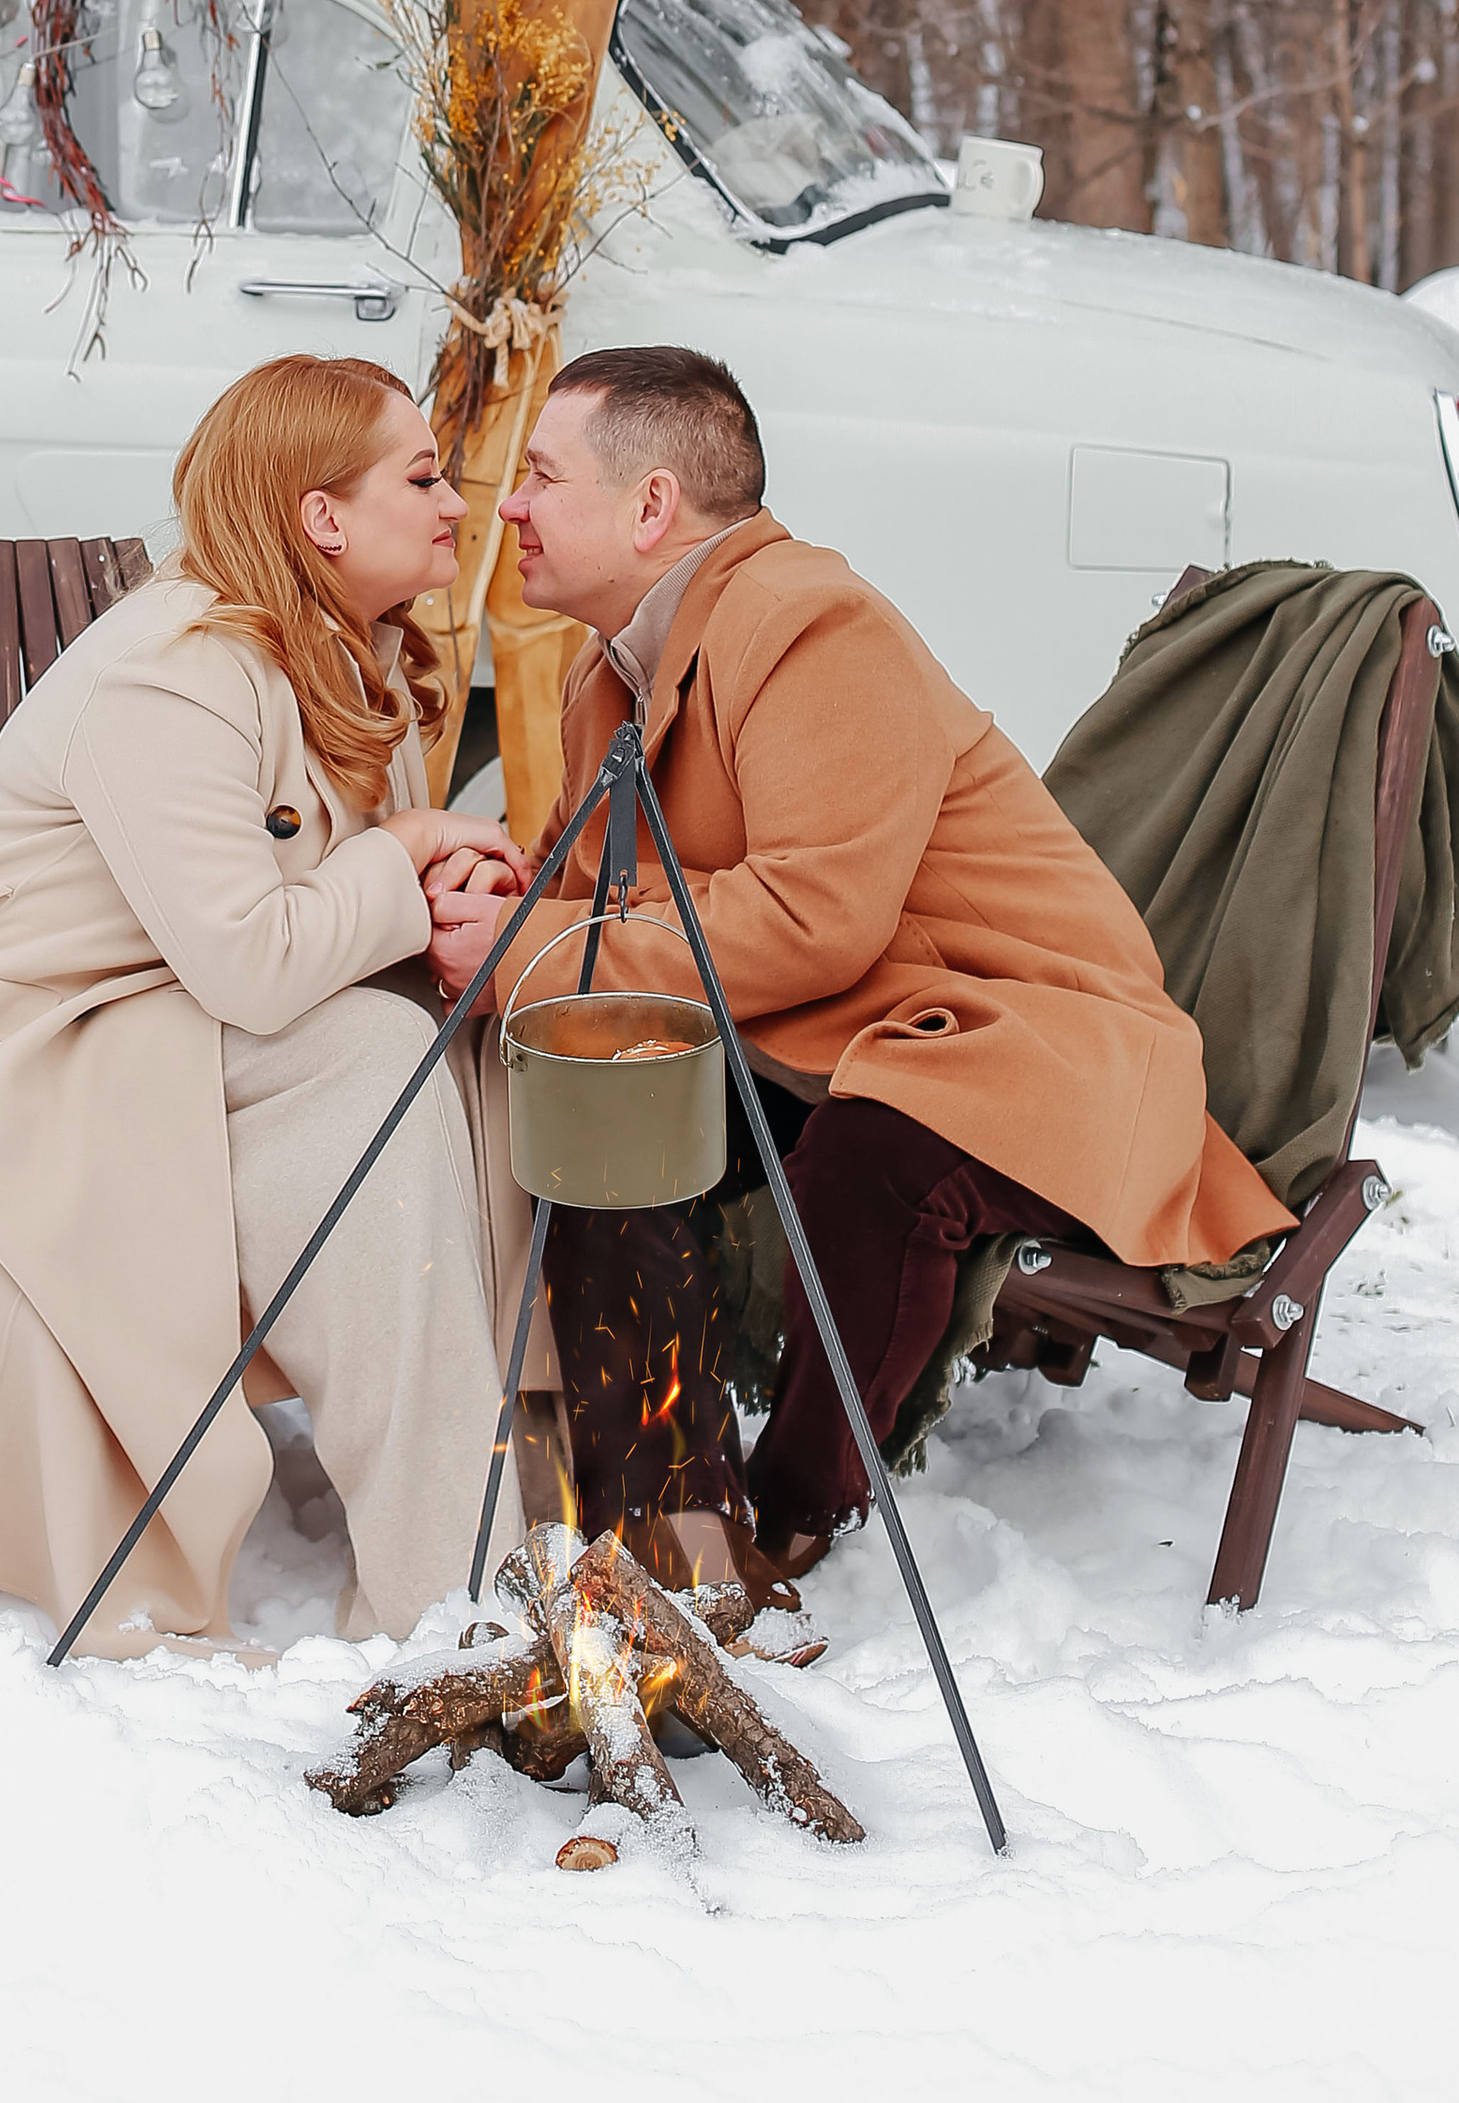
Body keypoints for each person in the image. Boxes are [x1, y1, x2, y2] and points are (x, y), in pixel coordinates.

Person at [431, 343, 1278, 1587]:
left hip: (1023, 1036)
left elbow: (810, 917)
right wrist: (502, 897)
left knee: (879, 1153)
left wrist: (531, 958)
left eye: (542, 476)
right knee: (610, 1097)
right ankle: (667, 1515)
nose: (508, 505)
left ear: (650, 505)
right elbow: (590, 889)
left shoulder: (806, 621)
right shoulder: (611, 666)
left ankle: (786, 1518)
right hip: (837, 1027)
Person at [0, 355, 531, 1654]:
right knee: (366, 1060)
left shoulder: (361, 655)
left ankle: (507, 1491)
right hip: (10, 1029)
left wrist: (441, 869)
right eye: (422, 477)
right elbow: (253, 956)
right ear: (321, 517)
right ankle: (454, 1589)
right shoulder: (174, 675)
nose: (457, 506)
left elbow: (335, 889)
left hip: (167, 1002)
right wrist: (407, 858)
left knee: (471, 1051)